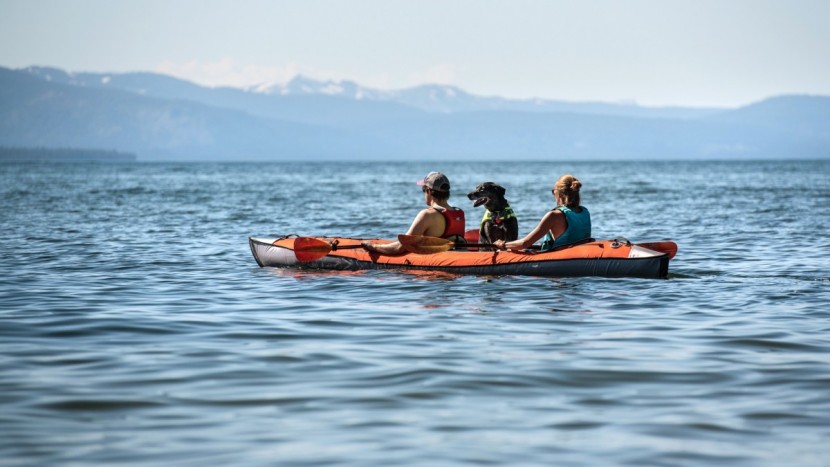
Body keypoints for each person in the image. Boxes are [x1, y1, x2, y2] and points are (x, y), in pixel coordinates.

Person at [361, 172, 466, 255]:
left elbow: (400, 247)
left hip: (437, 268)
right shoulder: (459, 213)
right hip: (457, 257)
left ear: (429, 191)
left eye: (423, 189)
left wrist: (373, 247)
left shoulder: (427, 215)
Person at [494, 174, 590, 251]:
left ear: (559, 193)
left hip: (559, 260)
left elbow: (524, 243)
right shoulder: (584, 212)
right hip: (577, 255)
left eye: (553, 191)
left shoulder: (554, 215)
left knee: (506, 251)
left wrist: (503, 244)